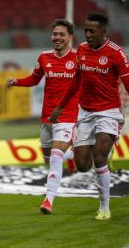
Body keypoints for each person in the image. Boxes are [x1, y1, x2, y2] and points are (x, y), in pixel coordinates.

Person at [50, 12, 129, 220]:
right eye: (85, 30)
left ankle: (104, 206)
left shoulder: (116, 54)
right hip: (85, 112)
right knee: (83, 165)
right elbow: (77, 80)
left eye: (92, 31)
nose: (87, 34)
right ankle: (102, 152)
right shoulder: (82, 51)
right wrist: (60, 107)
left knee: (99, 156)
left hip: (109, 112)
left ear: (104, 32)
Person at [6, 19, 79, 214]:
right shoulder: (44, 57)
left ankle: (48, 200)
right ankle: (70, 155)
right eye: (55, 34)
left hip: (68, 116)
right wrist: (17, 81)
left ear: (70, 37)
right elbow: (34, 79)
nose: (57, 37)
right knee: (48, 158)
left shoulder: (79, 58)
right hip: (47, 116)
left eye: (61, 34)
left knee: (55, 157)